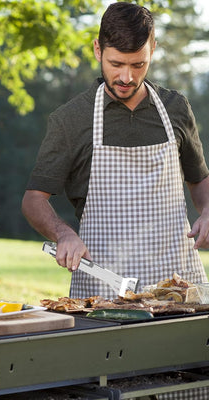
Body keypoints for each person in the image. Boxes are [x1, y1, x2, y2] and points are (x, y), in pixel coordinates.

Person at [23, 2, 209, 398]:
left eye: (138, 65)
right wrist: (62, 233)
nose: (126, 76)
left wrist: (208, 211)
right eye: (116, 63)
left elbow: (200, 180)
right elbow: (34, 199)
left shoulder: (175, 108)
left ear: (153, 50)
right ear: (97, 50)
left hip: (178, 294)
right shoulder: (70, 120)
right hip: (103, 296)